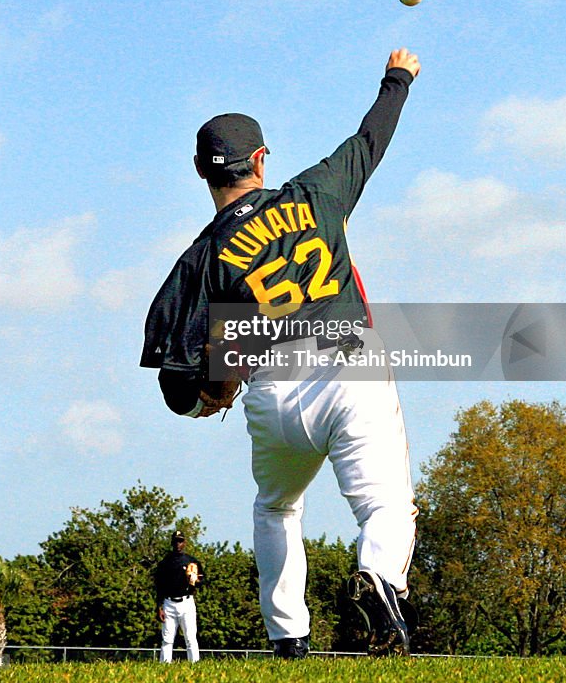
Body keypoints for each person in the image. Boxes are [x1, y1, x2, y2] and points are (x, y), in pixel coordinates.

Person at [141, 48, 421, 656]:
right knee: (386, 505)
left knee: (275, 508)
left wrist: (206, 397)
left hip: (271, 394)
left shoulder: (201, 260)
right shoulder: (317, 192)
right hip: (349, 369)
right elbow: (371, 138)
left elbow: (177, 381)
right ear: (261, 159)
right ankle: (380, 581)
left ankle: (288, 639)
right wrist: (398, 77)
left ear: (200, 171)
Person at [154, 530, 204, 662]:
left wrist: (195, 580)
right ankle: (164, 667)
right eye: (176, 541)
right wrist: (159, 607)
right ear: (172, 543)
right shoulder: (164, 563)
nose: (178, 544)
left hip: (186, 602)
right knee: (167, 639)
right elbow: (159, 586)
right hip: (169, 603)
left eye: (180, 541)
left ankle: (195, 666)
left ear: (185, 543)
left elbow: (201, 581)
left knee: (190, 638)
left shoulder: (191, 561)